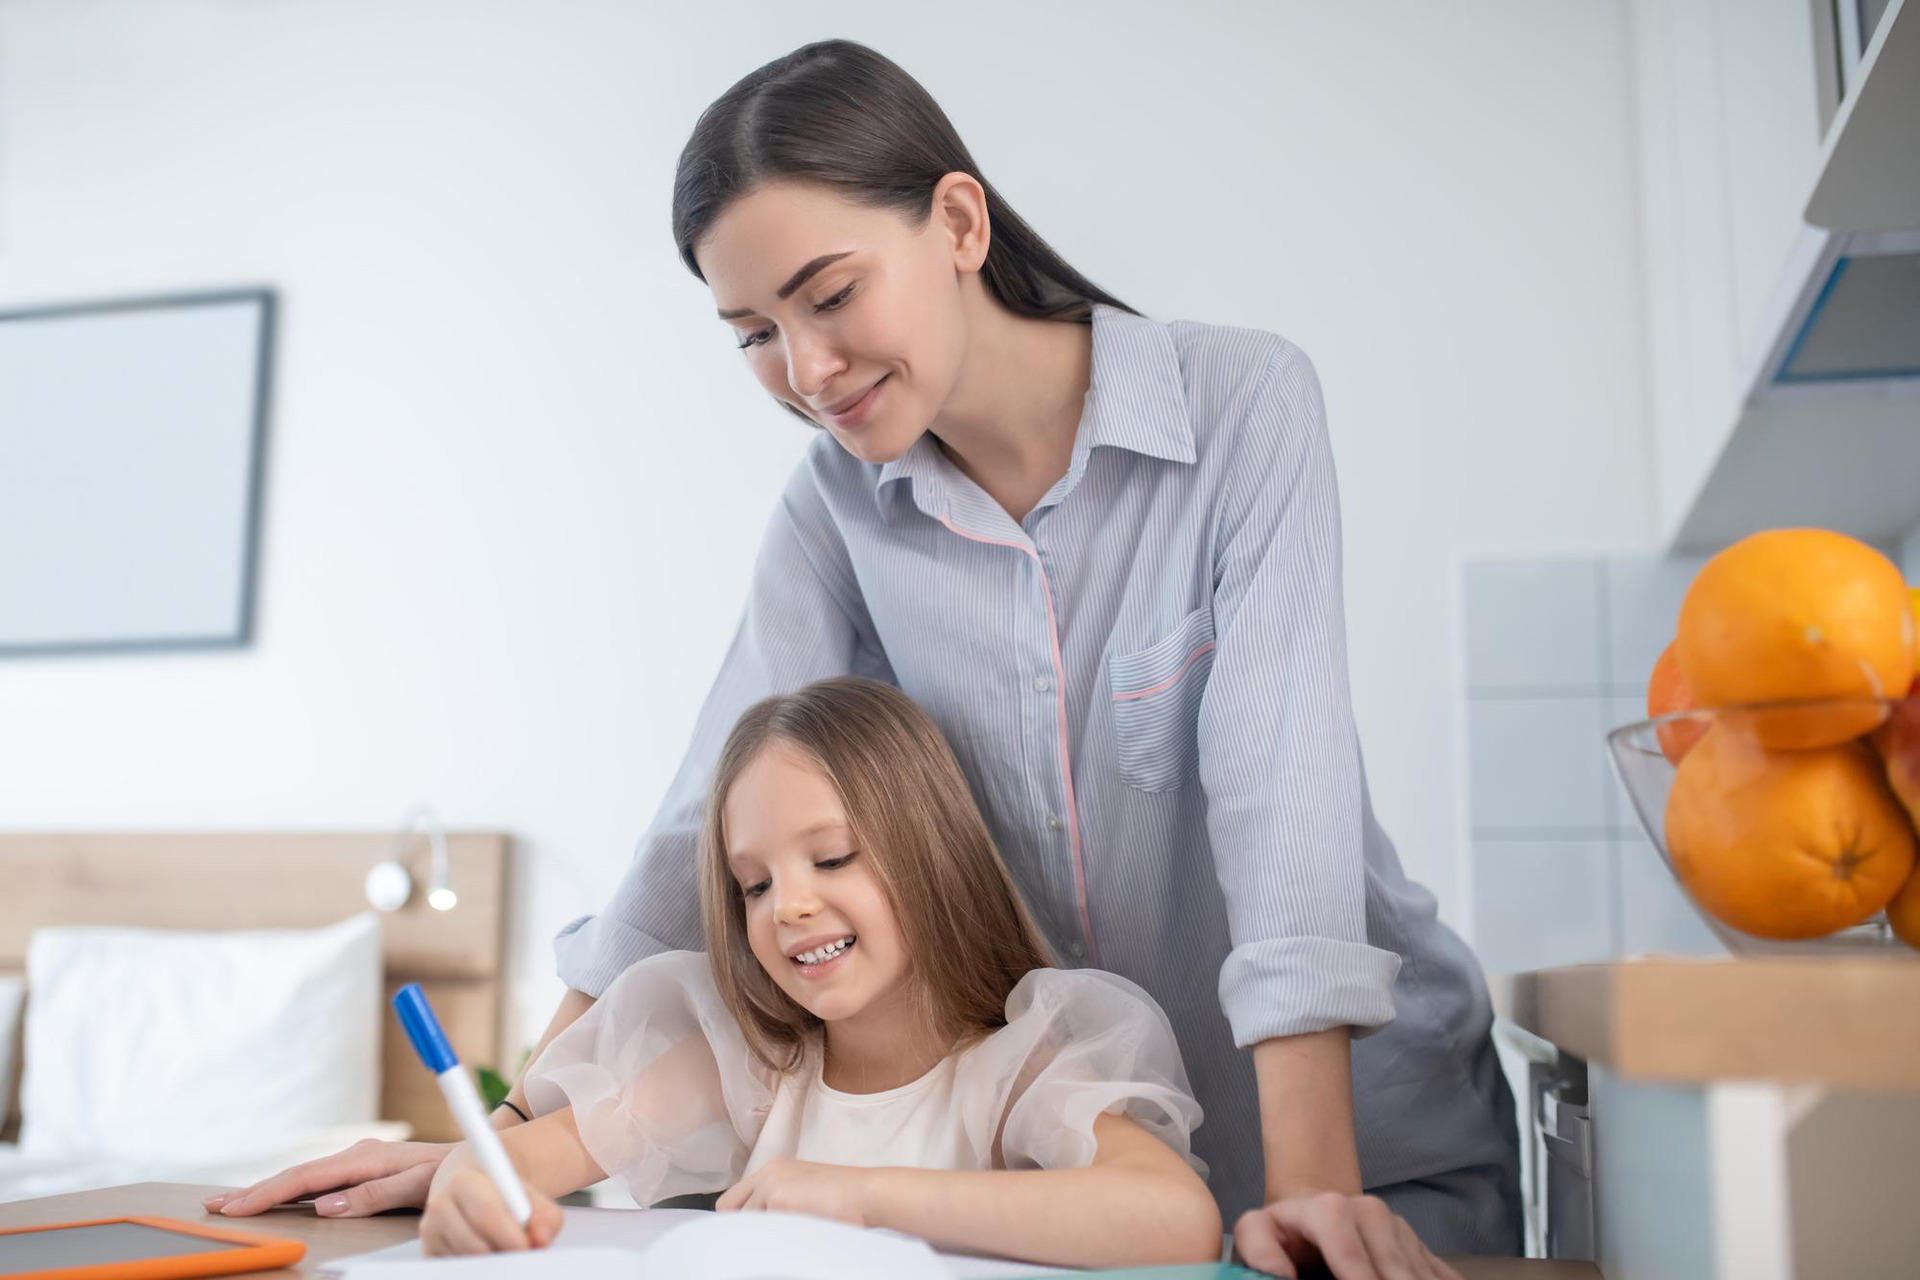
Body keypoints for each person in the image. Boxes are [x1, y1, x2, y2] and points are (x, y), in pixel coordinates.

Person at [212, 38, 1517, 1279]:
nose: (809, 369)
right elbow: (691, 839)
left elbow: (1277, 793)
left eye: (830, 296)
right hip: (1050, 1187)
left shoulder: (1239, 408)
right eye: (754, 332)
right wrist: (506, 1138)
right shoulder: (837, 507)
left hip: (1355, 1160)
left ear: (958, 223)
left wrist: (1312, 1185)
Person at [417, 678, 1221, 1268]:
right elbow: (532, 1158)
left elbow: (1177, 1220)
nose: (788, 906)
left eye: (831, 858)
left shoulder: (1022, 1067)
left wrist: (863, 1197)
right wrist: (472, 1182)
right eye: (754, 885)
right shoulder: (748, 1064)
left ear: (931, 853)